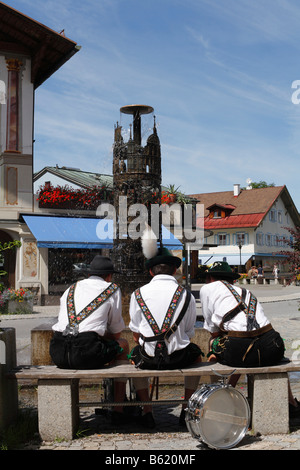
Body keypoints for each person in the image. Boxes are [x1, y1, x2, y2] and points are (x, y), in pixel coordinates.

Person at [200, 261, 300, 424]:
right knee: (243, 344)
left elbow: (213, 331)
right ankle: (292, 404)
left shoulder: (207, 289)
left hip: (240, 351)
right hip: (272, 347)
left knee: (216, 342)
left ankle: (223, 397)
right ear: (232, 280)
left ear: (209, 278)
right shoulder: (245, 291)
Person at [128, 240, 203, 428]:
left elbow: (136, 334)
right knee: (196, 356)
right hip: (179, 357)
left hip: (148, 358)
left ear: (151, 271)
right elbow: (189, 333)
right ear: (175, 271)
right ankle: (186, 408)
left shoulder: (137, 294)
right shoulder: (186, 295)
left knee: (134, 357)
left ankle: (147, 411)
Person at [49, 255, 129, 423]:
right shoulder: (111, 289)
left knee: (98, 343)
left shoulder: (71, 289)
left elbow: (67, 324)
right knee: (123, 345)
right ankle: (119, 408)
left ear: (88, 274)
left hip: (58, 352)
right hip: (87, 354)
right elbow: (116, 333)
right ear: (109, 276)